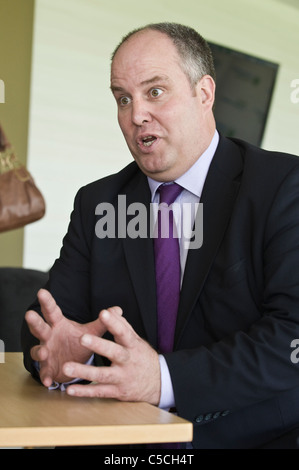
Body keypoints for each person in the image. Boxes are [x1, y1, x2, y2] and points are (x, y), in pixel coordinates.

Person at [22, 22, 299, 449]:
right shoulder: (99, 203)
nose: (136, 115)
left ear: (203, 93)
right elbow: (46, 328)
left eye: (155, 92)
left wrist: (163, 380)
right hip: (119, 441)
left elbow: (291, 339)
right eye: (122, 98)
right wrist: (69, 353)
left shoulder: (282, 185)